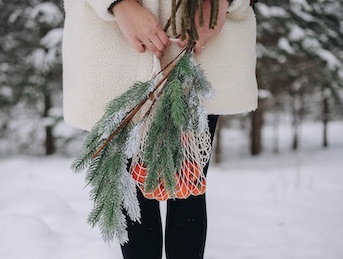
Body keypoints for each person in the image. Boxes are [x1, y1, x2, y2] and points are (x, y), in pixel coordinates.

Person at [62, 0, 258, 258]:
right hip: (113, 44)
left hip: (200, 44)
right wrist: (118, 4)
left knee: (187, 189)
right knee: (132, 198)